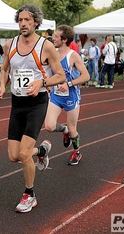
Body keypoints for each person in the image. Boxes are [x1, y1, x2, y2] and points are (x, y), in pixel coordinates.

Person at [0, 4, 65, 213]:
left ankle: (29, 195)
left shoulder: (46, 46)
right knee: (13, 156)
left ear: (36, 22)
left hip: (37, 102)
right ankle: (42, 150)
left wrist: (41, 83)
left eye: (27, 20)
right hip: (17, 103)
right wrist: (1, 85)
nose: (23, 23)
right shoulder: (10, 44)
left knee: (25, 154)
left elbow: (60, 75)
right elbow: (4, 69)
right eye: (20, 20)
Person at [44, 25, 90, 166]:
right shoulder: (52, 53)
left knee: (72, 129)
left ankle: (76, 151)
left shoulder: (73, 56)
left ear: (64, 40)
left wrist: (69, 84)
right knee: (49, 126)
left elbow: (86, 76)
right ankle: (63, 130)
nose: (53, 38)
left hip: (71, 96)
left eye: (56, 36)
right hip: (56, 96)